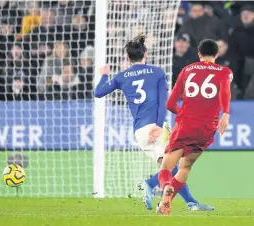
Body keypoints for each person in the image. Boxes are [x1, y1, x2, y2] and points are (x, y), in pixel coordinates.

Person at [95, 34, 213, 211]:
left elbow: (99, 92)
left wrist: (104, 75)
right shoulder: (157, 72)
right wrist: (158, 125)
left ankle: (190, 202)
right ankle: (151, 184)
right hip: (156, 127)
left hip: (140, 131)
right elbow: (164, 102)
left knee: (172, 166)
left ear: (128, 58)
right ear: (146, 55)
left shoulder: (121, 76)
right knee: (176, 164)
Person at [156, 39, 232, 215]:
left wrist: (182, 112)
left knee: (166, 168)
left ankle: (167, 188)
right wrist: (226, 114)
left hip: (185, 124)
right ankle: (164, 204)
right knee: (185, 167)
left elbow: (170, 104)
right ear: (217, 54)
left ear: (199, 54)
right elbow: (226, 92)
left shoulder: (187, 70)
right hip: (207, 128)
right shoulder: (225, 71)